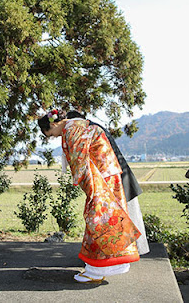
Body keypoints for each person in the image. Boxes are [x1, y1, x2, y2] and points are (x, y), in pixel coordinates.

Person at [38, 109, 141, 284]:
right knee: (111, 218)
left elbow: (80, 162)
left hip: (99, 177)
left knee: (98, 219)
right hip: (109, 173)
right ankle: (111, 264)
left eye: (50, 134)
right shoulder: (79, 124)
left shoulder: (71, 130)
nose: (53, 137)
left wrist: (88, 188)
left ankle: (97, 269)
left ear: (53, 123)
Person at [66, 111, 149, 255]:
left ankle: (127, 255)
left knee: (124, 219)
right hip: (118, 176)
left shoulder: (88, 131)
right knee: (126, 218)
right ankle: (126, 254)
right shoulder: (93, 128)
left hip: (114, 179)